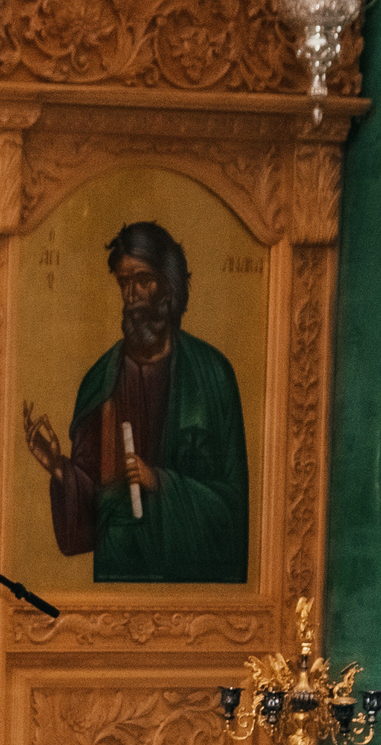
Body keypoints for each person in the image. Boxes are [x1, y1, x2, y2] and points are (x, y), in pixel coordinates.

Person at [22, 220, 250, 583]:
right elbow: (90, 509)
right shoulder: (101, 382)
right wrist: (59, 467)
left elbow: (232, 511)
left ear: (169, 285)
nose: (132, 295)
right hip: (121, 569)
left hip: (190, 580)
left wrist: (160, 482)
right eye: (124, 283)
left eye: (143, 280)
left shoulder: (213, 377)